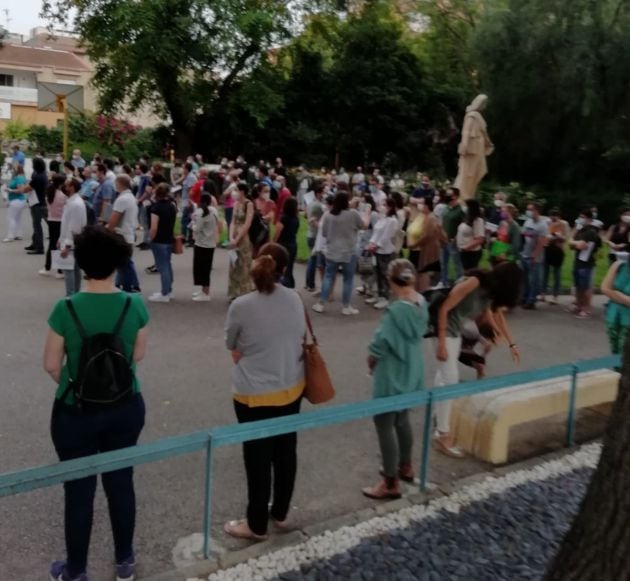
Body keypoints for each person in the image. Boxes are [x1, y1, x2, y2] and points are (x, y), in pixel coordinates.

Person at [44, 225, 148, 581]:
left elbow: (51, 364)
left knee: (78, 490)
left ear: (81, 262)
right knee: (121, 482)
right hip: (125, 404)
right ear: (120, 262)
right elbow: (138, 353)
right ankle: (124, 561)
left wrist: (77, 386)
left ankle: (75, 570)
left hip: (76, 410)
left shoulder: (65, 308)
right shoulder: (134, 304)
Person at [224, 243, 305, 541]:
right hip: (291, 387)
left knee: (257, 458)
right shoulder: (295, 299)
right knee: (285, 453)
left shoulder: (241, 305)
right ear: (284, 270)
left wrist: (242, 349)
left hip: (253, 394)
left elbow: (230, 343)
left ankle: (256, 523)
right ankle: (280, 512)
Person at [434, 263, 522, 457]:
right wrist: (441, 341)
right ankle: (443, 435)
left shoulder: (489, 293)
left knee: (443, 377)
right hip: (446, 327)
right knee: (449, 380)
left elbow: (496, 317)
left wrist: (512, 345)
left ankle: (438, 418)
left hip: (456, 330)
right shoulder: (474, 282)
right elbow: (444, 307)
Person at [362, 259, 428, 500]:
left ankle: (390, 481)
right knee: (402, 419)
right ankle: (406, 465)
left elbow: (380, 343)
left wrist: (371, 358)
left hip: (391, 372)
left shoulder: (395, 311)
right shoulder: (421, 304)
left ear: (391, 280)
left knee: (384, 421)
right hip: (412, 368)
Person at [312, 192, 368, 315]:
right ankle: (346, 306)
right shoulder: (353, 214)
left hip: (332, 251)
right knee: (348, 279)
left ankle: (321, 303)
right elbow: (363, 226)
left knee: (328, 277)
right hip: (349, 251)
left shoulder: (328, 215)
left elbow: (324, 233)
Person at [107, 174, 141, 293]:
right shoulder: (131, 197)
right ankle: (123, 284)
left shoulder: (122, 199)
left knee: (124, 263)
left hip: (121, 234)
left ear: (119, 184)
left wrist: (108, 229)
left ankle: (129, 287)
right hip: (129, 233)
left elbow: (115, 218)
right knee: (124, 262)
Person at [366, 198, 400, 310]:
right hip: (376, 251)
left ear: (390, 207)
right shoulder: (382, 218)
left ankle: (385, 297)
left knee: (385, 274)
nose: (381, 207)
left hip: (386, 251)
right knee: (377, 273)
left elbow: (386, 236)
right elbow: (376, 232)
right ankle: (379, 294)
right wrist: (371, 243)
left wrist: (376, 245)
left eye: (384, 205)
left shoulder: (392, 220)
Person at [568, 209, 601, 319]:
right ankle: (579, 305)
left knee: (585, 287)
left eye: (582, 217)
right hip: (577, 262)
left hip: (586, 263)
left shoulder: (591, 232)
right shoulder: (581, 231)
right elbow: (570, 244)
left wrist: (574, 242)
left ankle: (586, 309)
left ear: (589, 219)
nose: (580, 219)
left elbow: (581, 245)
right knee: (578, 286)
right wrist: (574, 242)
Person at [148, 183, 177, 303]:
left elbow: (154, 227)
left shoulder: (156, 208)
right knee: (167, 265)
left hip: (159, 240)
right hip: (169, 238)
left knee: (162, 266)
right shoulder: (172, 206)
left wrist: (151, 238)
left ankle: (164, 292)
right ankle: (169, 290)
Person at [59, 178, 88, 296]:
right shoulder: (73, 201)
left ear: (72, 187)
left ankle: (70, 295)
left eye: (66, 185)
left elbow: (74, 227)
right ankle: (75, 294)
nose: (64, 187)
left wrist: (67, 245)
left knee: (69, 270)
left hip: (71, 242)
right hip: (71, 240)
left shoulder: (75, 204)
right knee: (74, 269)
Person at [411, 197, 447, 291]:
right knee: (421, 271)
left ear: (427, 205)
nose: (420, 206)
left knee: (423, 271)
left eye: (422, 204)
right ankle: (420, 291)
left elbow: (427, 235)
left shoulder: (431, 218)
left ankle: (423, 293)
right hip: (425, 247)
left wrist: (414, 244)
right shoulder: (426, 217)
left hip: (428, 248)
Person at [191, 193, 222, 301]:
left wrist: (192, 224)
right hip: (211, 243)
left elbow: (197, 228)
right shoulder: (214, 211)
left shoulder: (200, 213)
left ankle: (205, 293)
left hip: (201, 244)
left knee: (200, 269)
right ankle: (204, 289)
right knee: (206, 268)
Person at [228, 183, 255, 301]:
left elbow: (247, 224)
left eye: (237, 190)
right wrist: (231, 237)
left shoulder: (248, 204)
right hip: (234, 235)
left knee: (244, 264)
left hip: (243, 237)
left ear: (242, 191)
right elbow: (232, 221)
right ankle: (233, 292)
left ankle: (244, 293)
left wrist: (237, 238)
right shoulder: (236, 204)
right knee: (234, 265)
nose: (234, 192)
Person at [520, 202, 549, 309]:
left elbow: (541, 242)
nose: (528, 212)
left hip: (534, 256)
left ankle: (531, 300)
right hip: (525, 253)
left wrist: (535, 256)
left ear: (536, 211)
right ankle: (524, 297)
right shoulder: (528, 222)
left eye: (530, 209)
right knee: (525, 279)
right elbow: (523, 235)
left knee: (534, 280)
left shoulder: (542, 225)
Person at [40, 174, 67, 278]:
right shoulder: (63, 195)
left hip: (51, 220)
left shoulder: (50, 193)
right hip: (61, 221)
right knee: (60, 244)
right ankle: (60, 270)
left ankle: (47, 267)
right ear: (61, 184)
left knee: (52, 244)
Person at [601, 258, 630, 355]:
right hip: (613, 318)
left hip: (628, 322)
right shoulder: (619, 265)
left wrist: (617, 294)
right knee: (615, 354)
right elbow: (604, 288)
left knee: (626, 357)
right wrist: (624, 299)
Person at [542, 208, 570, 304]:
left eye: (555, 216)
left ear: (559, 216)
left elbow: (566, 237)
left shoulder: (563, 224)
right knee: (545, 272)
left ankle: (555, 296)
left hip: (558, 250)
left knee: (557, 274)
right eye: (552, 216)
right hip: (548, 248)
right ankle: (543, 293)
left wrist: (559, 237)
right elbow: (544, 235)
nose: (553, 218)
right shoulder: (546, 223)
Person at [356, 194, 380, 300]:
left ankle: (370, 288)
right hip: (361, 242)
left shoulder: (374, 215)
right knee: (362, 265)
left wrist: (373, 243)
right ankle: (364, 285)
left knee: (369, 266)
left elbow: (376, 229)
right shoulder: (362, 213)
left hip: (369, 242)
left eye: (364, 202)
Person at [23, 156, 49, 255]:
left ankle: (39, 247)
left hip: (37, 203)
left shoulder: (38, 177)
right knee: (36, 224)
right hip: (40, 202)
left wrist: (22, 188)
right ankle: (34, 243)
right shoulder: (42, 174)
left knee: (37, 225)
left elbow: (27, 188)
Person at [440, 188, 464, 286]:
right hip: (444, 240)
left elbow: (463, 226)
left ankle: (459, 283)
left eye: (450, 194)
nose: (448, 195)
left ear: (456, 196)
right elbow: (443, 223)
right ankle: (444, 282)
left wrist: (456, 238)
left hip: (453, 241)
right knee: (443, 263)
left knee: (456, 263)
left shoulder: (460, 210)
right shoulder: (446, 208)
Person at [274, 197, 300, 288]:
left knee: (282, 266)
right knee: (290, 267)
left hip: (283, 244)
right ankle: (290, 284)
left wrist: (273, 241)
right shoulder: (296, 219)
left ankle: (284, 284)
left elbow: (278, 231)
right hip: (292, 244)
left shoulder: (283, 218)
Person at [304, 184, 325, 292]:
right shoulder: (318, 205)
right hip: (315, 235)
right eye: (322, 192)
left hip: (310, 234)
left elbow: (305, 215)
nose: (324, 194)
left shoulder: (310, 203)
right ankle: (310, 284)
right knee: (314, 261)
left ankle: (309, 283)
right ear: (318, 193)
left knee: (311, 260)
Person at [456, 198, 485, 271]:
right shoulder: (467, 218)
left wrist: (466, 248)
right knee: (466, 271)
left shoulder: (478, 221)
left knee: (470, 272)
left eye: (466, 206)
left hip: (471, 252)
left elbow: (480, 239)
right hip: (464, 251)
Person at [4, 165, 28, 243]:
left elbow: (20, 190)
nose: (12, 170)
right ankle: (18, 234)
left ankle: (10, 236)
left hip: (17, 200)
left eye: (14, 169)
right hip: (18, 200)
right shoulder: (19, 177)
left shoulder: (19, 178)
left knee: (11, 218)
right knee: (17, 218)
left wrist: (10, 190)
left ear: (17, 169)